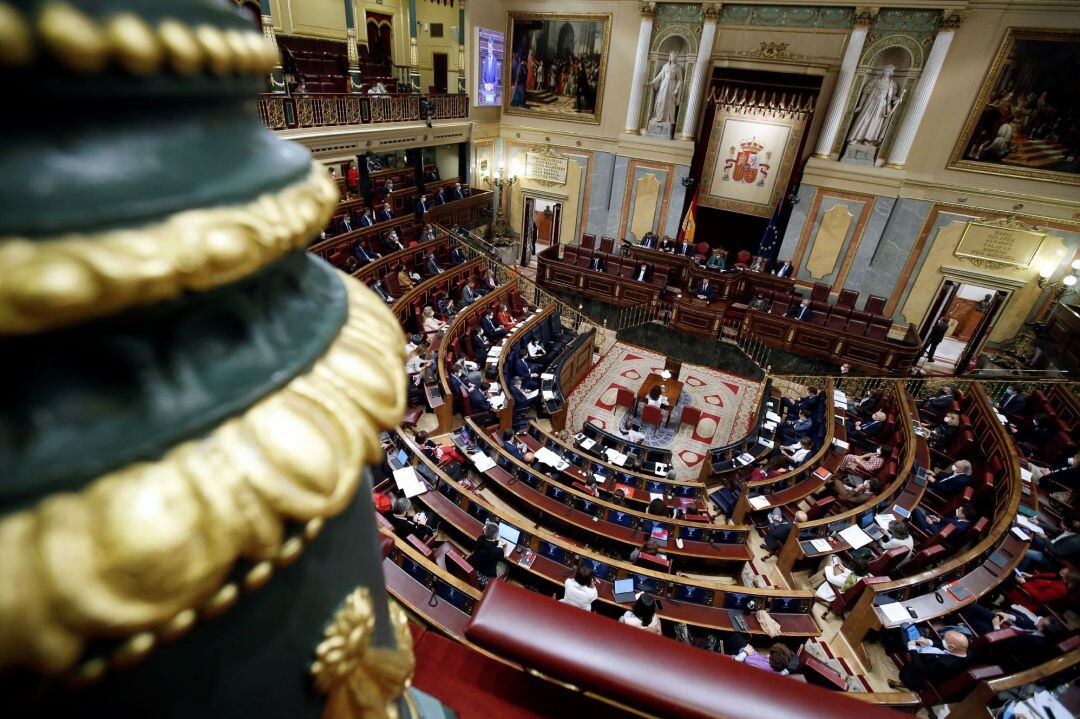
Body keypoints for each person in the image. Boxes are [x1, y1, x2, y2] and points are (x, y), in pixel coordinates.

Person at [888, 628, 971, 690]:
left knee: (902, 633)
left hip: (919, 673)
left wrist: (913, 650)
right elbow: (945, 646)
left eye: (944, 640)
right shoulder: (965, 651)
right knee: (913, 630)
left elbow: (923, 672)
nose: (942, 640)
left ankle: (889, 649)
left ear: (952, 647)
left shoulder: (944, 664)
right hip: (929, 654)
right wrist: (929, 642)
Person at [1007, 567, 1078, 612]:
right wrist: (1030, 576)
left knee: (1006, 579)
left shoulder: (1061, 589)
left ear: (1068, 577)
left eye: (1063, 571)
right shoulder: (1058, 577)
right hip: (1027, 585)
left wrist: (1024, 583)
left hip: (1026, 597)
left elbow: (1039, 597)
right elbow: (1042, 577)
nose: (1062, 569)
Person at [467, 523, 504, 588]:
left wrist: (496, 541)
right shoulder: (498, 551)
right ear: (496, 536)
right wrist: (505, 547)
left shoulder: (480, 539)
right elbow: (502, 558)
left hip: (475, 568)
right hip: (487, 577)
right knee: (505, 567)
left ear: (484, 532)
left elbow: (486, 538)